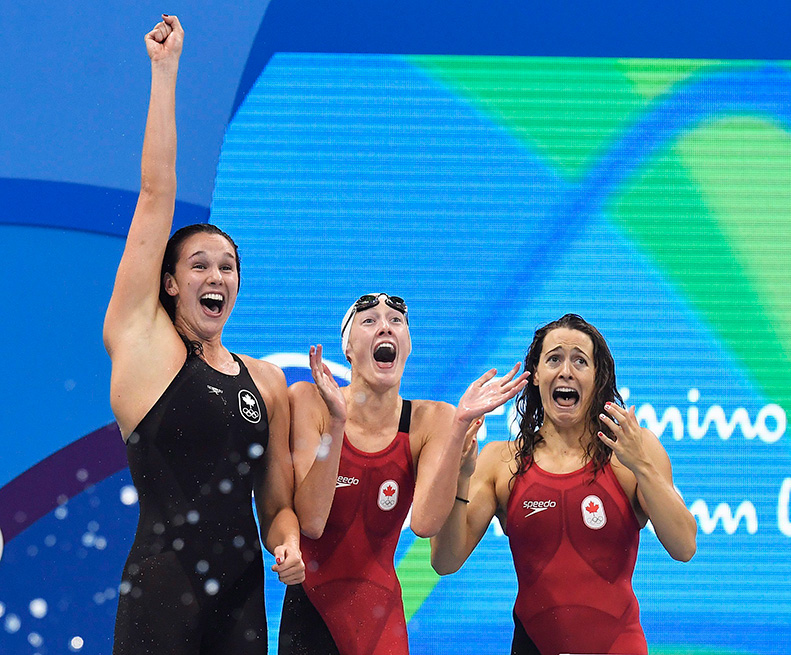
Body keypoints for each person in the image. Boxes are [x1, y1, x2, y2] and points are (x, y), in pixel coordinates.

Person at [103, 16, 304, 655]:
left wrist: (288, 541)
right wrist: (166, 72)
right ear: (167, 284)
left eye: (228, 267)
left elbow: (275, 506)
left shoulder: (264, 381)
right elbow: (157, 191)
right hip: (163, 591)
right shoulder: (143, 345)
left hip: (243, 596)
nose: (216, 275)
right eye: (198, 265)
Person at [430, 313, 697, 655]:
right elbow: (446, 561)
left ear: (597, 377)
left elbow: (684, 546)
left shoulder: (632, 450)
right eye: (554, 358)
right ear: (536, 374)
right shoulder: (502, 462)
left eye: (580, 361)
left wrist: (642, 465)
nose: (566, 371)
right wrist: (461, 476)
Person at [278, 293, 529, 655]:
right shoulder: (310, 400)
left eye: (396, 321)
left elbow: (425, 524)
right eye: (369, 321)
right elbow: (313, 521)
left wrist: (458, 427)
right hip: (309, 613)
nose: (385, 326)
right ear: (348, 348)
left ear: (407, 345)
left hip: (381, 621)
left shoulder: (433, 420)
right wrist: (337, 421)